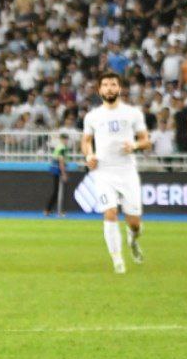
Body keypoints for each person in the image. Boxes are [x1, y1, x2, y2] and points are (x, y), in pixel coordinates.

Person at [81, 72, 150, 273]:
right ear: (99, 89)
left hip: (127, 172)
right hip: (103, 172)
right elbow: (86, 141)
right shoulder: (92, 116)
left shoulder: (133, 113)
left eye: (113, 84)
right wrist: (89, 155)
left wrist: (134, 145)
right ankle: (117, 259)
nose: (109, 88)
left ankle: (133, 239)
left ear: (119, 88)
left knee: (134, 223)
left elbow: (145, 140)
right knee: (110, 212)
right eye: (105, 85)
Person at [44, 133, 69, 217]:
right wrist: (64, 173)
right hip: (57, 171)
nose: (66, 141)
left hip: (55, 170)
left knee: (56, 191)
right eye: (65, 139)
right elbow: (61, 161)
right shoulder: (62, 148)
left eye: (66, 139)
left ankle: (48, 210)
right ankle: (56, 211)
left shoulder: (59, 147)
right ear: (61, 139)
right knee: (58, 192)